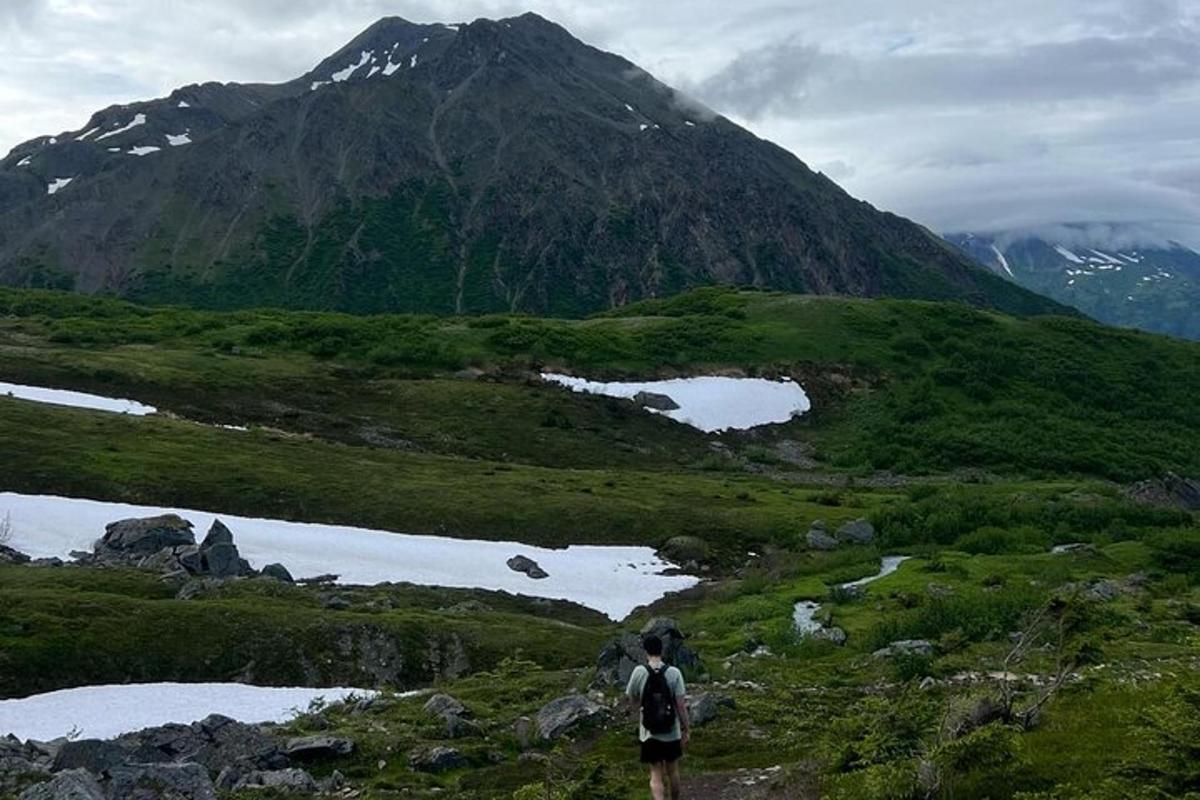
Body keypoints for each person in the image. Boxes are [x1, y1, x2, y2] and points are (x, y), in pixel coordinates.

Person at [625, 634, 690, 800]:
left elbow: (632, 698)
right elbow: (681, 705)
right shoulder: (674, 672)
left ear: (646, 651)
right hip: (671, 730)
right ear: (662, 650)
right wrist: (686, 728)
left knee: (655, 774)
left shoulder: (639, 672)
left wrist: (638, 710)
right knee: (673, 770)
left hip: (649, 731)